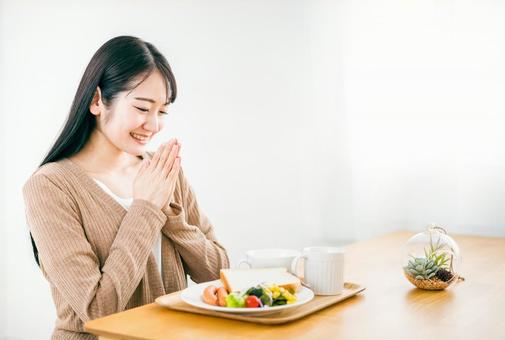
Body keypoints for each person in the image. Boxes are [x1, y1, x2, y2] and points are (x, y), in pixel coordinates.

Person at [22, 35, 229, 340]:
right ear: (96, 101)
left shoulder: (163, 172)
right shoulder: (50, 186)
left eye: (162, 111)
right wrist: (145, 209)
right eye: (143, 108)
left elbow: (219, 273)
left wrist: (170, 214)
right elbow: (98, 311)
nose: (154, 125)